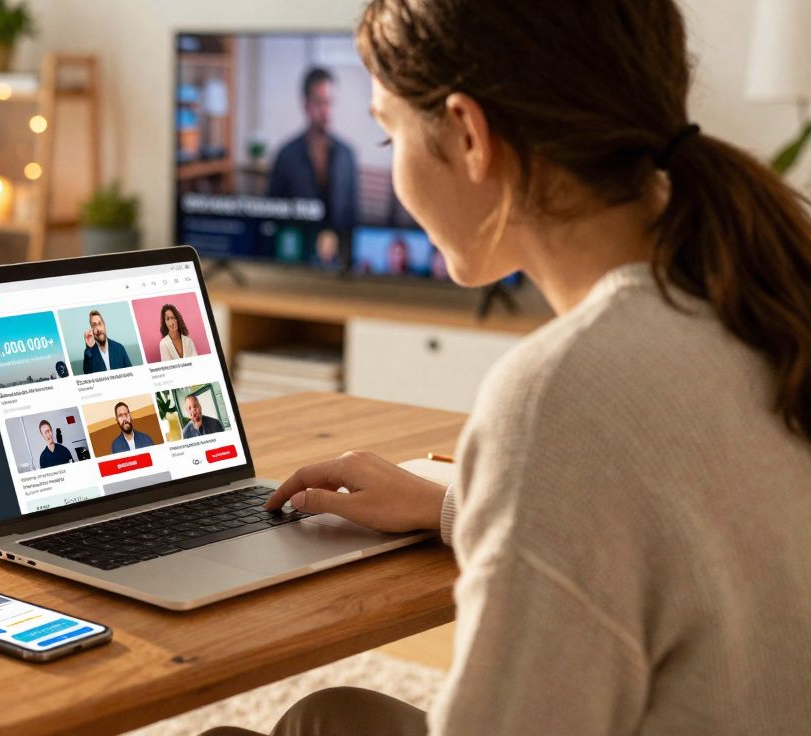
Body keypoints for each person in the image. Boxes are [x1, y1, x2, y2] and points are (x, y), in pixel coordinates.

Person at [205, 1, 811, 734]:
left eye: (385, 131)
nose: (387, 161)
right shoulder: (762, 292)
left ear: (467, 134)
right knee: (330, 714)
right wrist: (462, 504)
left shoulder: (565, 392)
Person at [268, 67, 359, 234]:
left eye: (330, 102)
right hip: (298, 250)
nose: (326, 111)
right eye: (319, 103)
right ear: (306, 105)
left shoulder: (347, 155)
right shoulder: (286, 155)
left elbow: (352, 215)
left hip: (338, 251)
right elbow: (272, 215)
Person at [81, 309, 133, 374]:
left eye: (100, 324)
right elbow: (87, 374)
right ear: (91, 330)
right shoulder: (89, 354)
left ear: (104, 325)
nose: (99, 329)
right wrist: (88, 347)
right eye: (94, 325)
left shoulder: (119, 348)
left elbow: (131, 373)